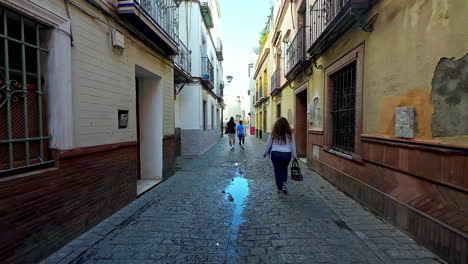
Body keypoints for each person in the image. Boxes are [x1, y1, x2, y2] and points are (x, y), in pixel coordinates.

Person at [263, 117, 297, 197]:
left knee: (277, 171)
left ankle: (280, 191)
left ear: (276, 125)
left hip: (275, 154)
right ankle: (284, 184)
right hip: (286, 154)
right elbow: (293, 145)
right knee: (284, 169)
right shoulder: (290, 133)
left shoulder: (274, 132)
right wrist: (294, 155)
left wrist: (265, 152)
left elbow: (268, 143)